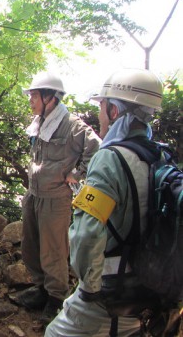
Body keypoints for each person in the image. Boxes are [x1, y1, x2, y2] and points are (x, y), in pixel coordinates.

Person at [45, 68, 166, 336]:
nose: (99, 113)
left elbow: (88, 232)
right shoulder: (158, 155)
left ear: (114, 111)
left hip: (113, 287)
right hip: (154, 281)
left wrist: (88, 287)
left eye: (102, 105)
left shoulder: (110, 159)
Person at [15, 72, 101, 324]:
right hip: (34, 194)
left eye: (34, 96)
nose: (30, 101)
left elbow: (97, 149)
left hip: (56, 198)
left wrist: (77, 173)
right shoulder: (40, 121)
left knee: (54, 251)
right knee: (31, 245)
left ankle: (56, 298)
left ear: (49, 97)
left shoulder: (72, 125)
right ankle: (41, 288)